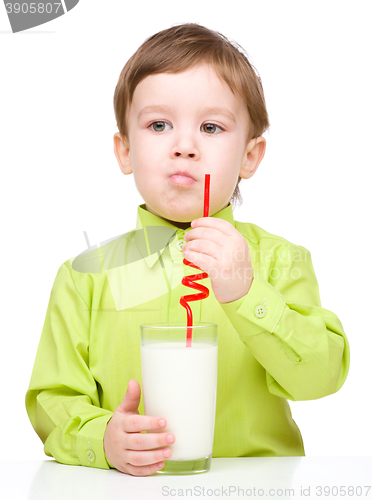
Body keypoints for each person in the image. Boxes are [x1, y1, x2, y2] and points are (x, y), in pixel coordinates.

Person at [25, 23, 350, 477]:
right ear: (124, 151)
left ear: (249, 157)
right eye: (159, 124)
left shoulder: (279, 261)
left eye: (211, 127)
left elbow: (322, 376)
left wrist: (248, 294)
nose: (184, 147)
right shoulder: (85, 276)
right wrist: (102, 438)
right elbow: (51, 401)